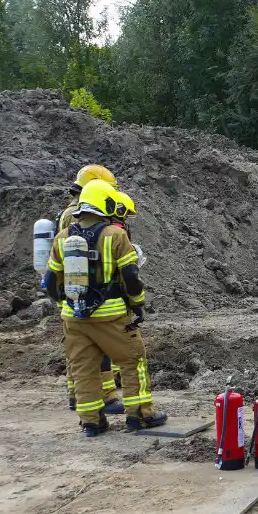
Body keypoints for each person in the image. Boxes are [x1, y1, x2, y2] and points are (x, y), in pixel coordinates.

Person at [44, 179, 166, 436]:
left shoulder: (62, 237)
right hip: (110, 316)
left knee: (84, 369)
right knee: (133, 361)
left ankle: (91, 421)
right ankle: (140, 415)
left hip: (74, 319)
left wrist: (63, 304)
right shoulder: (115, 235)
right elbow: (131, 276)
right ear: (106, 204)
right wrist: (138, 303)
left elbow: (50, 281)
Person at [57, 165, 121, 411]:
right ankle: (106, 397)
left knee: (76, 346)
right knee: (97, 346)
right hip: (89, 287)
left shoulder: (67, 212)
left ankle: (77, 394)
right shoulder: (81, 215)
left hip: (70, 286)